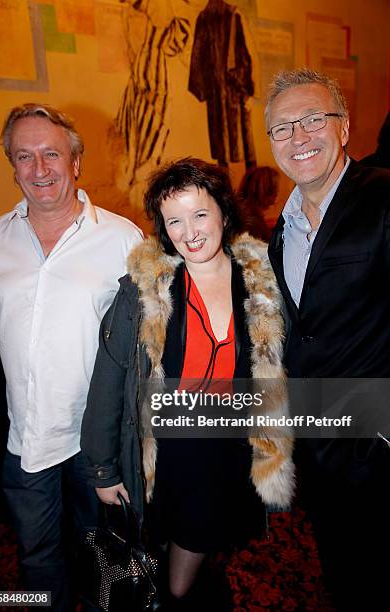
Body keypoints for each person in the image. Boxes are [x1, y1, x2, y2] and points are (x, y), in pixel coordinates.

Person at [81, 157, 294, 609]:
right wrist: (101, 468)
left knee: (199, 549)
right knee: (166, 555)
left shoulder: (260, 283)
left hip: (229, 449)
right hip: (167, 450)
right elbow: (108, 378)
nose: (189, 231)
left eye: (200, 214)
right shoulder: (144, 293)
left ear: (223, 211)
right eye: (173, 220)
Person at [0, 103, 142, 611]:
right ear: (13, 167)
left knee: (104, 563)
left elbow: (143, 346)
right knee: (35, 564)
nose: (39, 169)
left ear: (76, 162)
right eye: (24, 157)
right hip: (25, 440)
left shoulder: (123, 239)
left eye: (52, 154)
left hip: (97, 447)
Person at [266, 68, 390, 610]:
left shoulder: (383, 196)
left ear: (344, 128)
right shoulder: (282, 227)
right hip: (319, 444)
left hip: (379, 446)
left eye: (314, 119)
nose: (299, 136)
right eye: (284, 127)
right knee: (345, 574)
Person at [237, 165, 280, 242]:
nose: (277, 193)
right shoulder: (252, 221)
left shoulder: (244, 212)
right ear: (266, 191)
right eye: (275, 188)